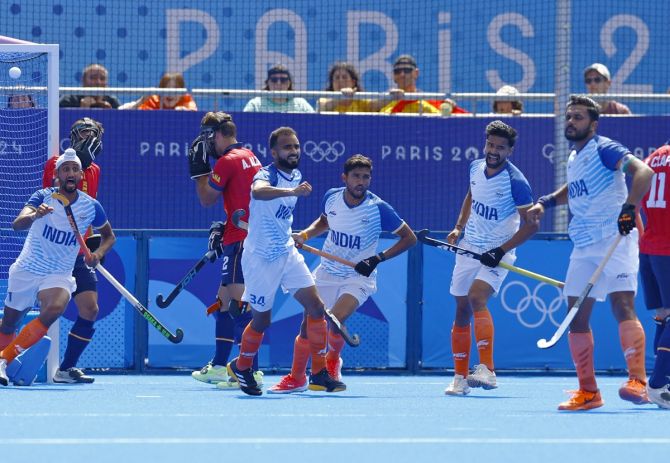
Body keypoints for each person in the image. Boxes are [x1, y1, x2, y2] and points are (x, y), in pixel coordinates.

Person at [527, 95, 653, 411]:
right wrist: (545, 201)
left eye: (579, 117)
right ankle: (589, 392)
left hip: (616, 240)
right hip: (583, 247)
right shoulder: (573, 158)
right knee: (576, 317)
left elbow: (644, 172)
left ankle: (637, 382)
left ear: (593, 124)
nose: (571, 121)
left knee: (622, 305)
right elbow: (574, 188)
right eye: (569, 117)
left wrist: (629, 208)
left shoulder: (605, 148)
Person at [267, 154, 416, 393]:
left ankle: (332, 363)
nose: (361, 181)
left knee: (335, 320)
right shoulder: (332, 197)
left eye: (366, 177)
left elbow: (410, 238)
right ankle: (296, 378)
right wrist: (304, 235)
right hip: (327, 272)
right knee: (307, 326)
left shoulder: (379, 209)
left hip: (358, 277)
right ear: (344, 177)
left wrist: (378, 258)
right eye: (356, 176)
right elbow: (324, 222)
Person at [226, 126, 345, 396]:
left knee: (315, 308)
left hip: (287, 252)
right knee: (262, 321)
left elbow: (277, 216)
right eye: (287, 147)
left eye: (296, 147)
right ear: (274, 151)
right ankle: (243, 365)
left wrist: (290, 233)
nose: (293, 151)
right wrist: (291, 192)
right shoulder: (266, 175)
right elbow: (258, 192)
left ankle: (318, 373)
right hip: (260, 260)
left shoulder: (297, 175)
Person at [0, 149, 115, 386]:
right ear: (57, 175)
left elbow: (108, 236)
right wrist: (34, 215)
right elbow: (17, 224)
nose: (70, 173)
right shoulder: (42, 196)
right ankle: (5, 359)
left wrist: (98, 254)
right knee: (10, 322)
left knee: (55, 308)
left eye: (75, 169)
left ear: (81, 175)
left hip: (58, 273)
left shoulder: (91, 206)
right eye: (66, 169)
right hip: (27, 269)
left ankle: (3, 359)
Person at [443, 120, 537, 396]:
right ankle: (460, 379)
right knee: (461, 310)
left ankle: (487, 369)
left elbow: (531, 225)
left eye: (500, 147)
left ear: (510, 151)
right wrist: (458, 227)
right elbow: (471, 196)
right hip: (469, 247)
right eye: (490, 145)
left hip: (498, 252)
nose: (494, 151)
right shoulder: (475, 168)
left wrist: (500, 251)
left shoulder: (516, 182)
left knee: (476, 298)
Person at [186, 111, 263, 389]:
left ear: (217, 135)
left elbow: (206, 198)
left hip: (242, 241)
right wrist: (225, 227)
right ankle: (220, 366)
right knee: (224, 303)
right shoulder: (249, 155)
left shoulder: (228, 161)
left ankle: (250, 370)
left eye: (207, 138)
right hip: (241, 236)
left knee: (240, 306)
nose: (206, 145)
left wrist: (198, 171)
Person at [42, 118, 105, 383]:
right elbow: (56, 195)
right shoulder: (55, 163)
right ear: (74, 136)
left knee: (90, 309)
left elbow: (87, 208)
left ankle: (66, 369)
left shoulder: (95, 170)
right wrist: (78, 161)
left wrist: (95, 246)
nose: (88, 137)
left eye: (93, 134)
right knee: (44, 310)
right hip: (51, 251)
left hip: (77, 253)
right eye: (83, 133)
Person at [639, 145, 670, 409]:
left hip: (649, 247)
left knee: (664, 315)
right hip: (668, 248)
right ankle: (658, 383)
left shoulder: (653, 157)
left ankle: (661, 380)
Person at [379, 55, 467, 115]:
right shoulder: (383, 103)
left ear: (416, 73)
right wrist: (387, 99)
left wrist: (449, 111)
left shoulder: (433, 103)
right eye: (397, 71)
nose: (402, 74)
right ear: (393, 76)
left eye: (407, 70)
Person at [243, 65, 314, 113]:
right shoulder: (255, 104)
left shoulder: (301, 104)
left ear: (289, 83)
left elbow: (316, 123)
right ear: (268, 82)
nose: (278, 83)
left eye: (283, 80)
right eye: (274, 80)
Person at [119, 72, 197, 111]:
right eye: (166, 88)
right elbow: (120, 111)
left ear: (182, 92)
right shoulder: (153, 100)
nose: (170, 94)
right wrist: (140, 102)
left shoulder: (186, 100)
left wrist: (185, 112)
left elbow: (194, 114)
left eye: (175, 89)